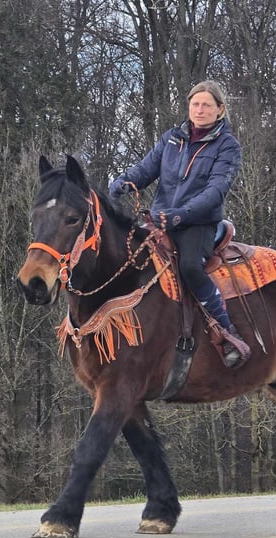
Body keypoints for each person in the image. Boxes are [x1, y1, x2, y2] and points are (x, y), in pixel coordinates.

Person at [109, 80, 250, 368]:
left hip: (198, 224)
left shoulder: (228, 147)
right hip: (161, 220)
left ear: (220, 110)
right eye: (195, 104)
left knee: (188, 267)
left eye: (207, 105)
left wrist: (181, 214)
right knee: (129, 258)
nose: (200, 110)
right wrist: (124, 182)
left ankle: (225, 332)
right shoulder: (172, 138)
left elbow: (215, 191)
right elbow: (146, 169)